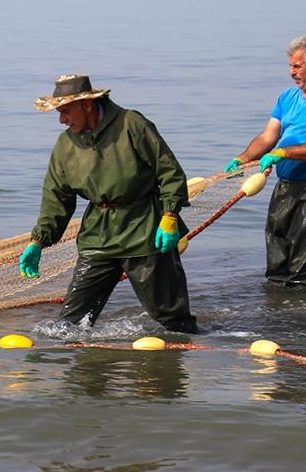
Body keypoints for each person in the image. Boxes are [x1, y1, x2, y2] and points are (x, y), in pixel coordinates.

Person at [19, 74, 198, 334]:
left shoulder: (131, 124)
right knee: (69, 324)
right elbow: (56, 198)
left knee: (172, 321)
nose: (61, 119)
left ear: (87, 105)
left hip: (144, 231)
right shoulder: (64, 145)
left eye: (66, 111)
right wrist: (39, 241)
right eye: (59, 112)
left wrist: (169, 216)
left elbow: (169, 172)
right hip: (97, 237)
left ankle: (180, 360)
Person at [224, 36, 306, 288]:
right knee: (278, 257)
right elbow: (267, 136)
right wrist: (243, 158)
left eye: (296, 66)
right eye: (290, 66)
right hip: (285, 185)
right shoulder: (287, 98)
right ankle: (279, 312)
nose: (291, 73)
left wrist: (284, 153)